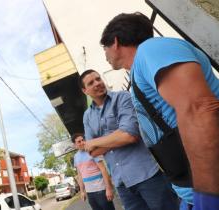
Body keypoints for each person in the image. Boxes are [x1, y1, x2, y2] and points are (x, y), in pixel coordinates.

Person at [100, 12, 219, 209]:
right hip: (191, 192)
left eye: (104, 48)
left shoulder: (151, 49)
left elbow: (200, 110)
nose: (105, 55)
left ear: (115, 42)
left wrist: (208, 199)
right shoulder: (142, 67)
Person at [80, 69, 178, 210]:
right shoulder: (87, 116)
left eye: (98, 78)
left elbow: (129, 135)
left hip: (147, 175)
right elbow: (92, 153)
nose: (97, 83)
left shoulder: (123, 97)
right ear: (85, 91)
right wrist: (117, 137)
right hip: (122, 184)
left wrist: (95, 141)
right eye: (91, 82)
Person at [72, 133, 115, 210]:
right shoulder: (76, 157)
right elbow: (80, 175)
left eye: (83, 140)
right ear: (74, 145)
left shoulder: (92, 151)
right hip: (90, 193)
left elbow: (103, 169)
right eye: (79, 141)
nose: (82, 142)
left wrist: (108, 189)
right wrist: (82, 191)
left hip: (101, 190)